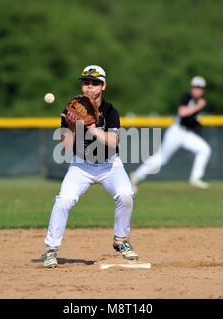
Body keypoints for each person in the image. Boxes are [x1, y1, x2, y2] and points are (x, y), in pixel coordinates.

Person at [42, 65, 139, 268]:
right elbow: (66, 146)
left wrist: (92, 128)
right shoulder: (71, 109)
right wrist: (73, 127)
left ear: (103, 86)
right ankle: (51, 249)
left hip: (109, 164)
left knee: (126, 194)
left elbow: (114, 142)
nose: (89, 87)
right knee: (64, 200)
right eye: (86, 82)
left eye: (94, 83)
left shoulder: (110, 110)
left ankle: (121, 240)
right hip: (81, 165)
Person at [130, 76, 212, 191]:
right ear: (192, 88)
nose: (198, 89)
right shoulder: (187, 97)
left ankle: (195, 178)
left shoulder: (199, 101)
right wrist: (198, 106)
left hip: (187, 134)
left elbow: (190, 118)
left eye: (200, 88)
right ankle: (136, 175)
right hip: (176, 132)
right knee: (162, 158)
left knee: (204, 149)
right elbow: (182, 112)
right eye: (196, 87)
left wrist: (197, 124)